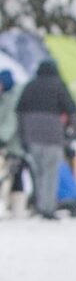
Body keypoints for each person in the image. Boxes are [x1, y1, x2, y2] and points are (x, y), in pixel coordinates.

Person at [14, 59, 76, 220]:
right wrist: (75, 134)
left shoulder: (30, 86)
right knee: (51, 172)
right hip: (53, 136)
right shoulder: (59, 85)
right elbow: (71, 109)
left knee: (38, 173)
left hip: (32, 136)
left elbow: (19, 112)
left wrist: (23, 136)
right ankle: (47, 207)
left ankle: (39, 203)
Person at [0, 71, 24, 218]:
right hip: (8, 145)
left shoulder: (12, 98)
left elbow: (11, 122)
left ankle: (17, 209)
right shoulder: (5, 97)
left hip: (14, 145)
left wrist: (2, 138)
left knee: (15, 175)